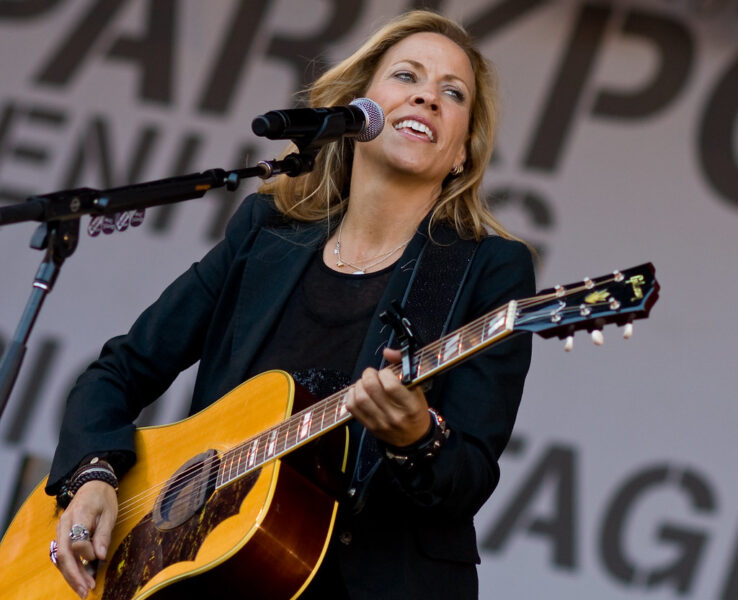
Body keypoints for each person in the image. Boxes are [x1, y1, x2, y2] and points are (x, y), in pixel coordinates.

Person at [45, 9, 535, 600]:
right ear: (358, 111)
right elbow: (118, 372)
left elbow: (469, 476)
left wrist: (416, 437)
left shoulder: (486, 270)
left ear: (462, 150)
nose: (427, 98)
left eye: (451, 94)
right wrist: (94, 475)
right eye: (406, 77)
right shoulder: (265, 234)